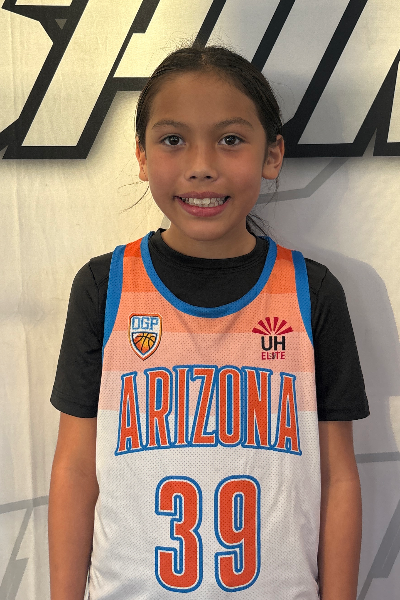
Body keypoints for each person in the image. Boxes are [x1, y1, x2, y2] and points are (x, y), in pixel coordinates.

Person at [48, 44, 369, 600]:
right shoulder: (105, 287)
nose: (201, 165)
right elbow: (75, 469)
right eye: (173, 140)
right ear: (142, 156)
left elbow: (337, 477)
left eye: (231, 140)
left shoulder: (312, 293)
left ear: (272, 155)